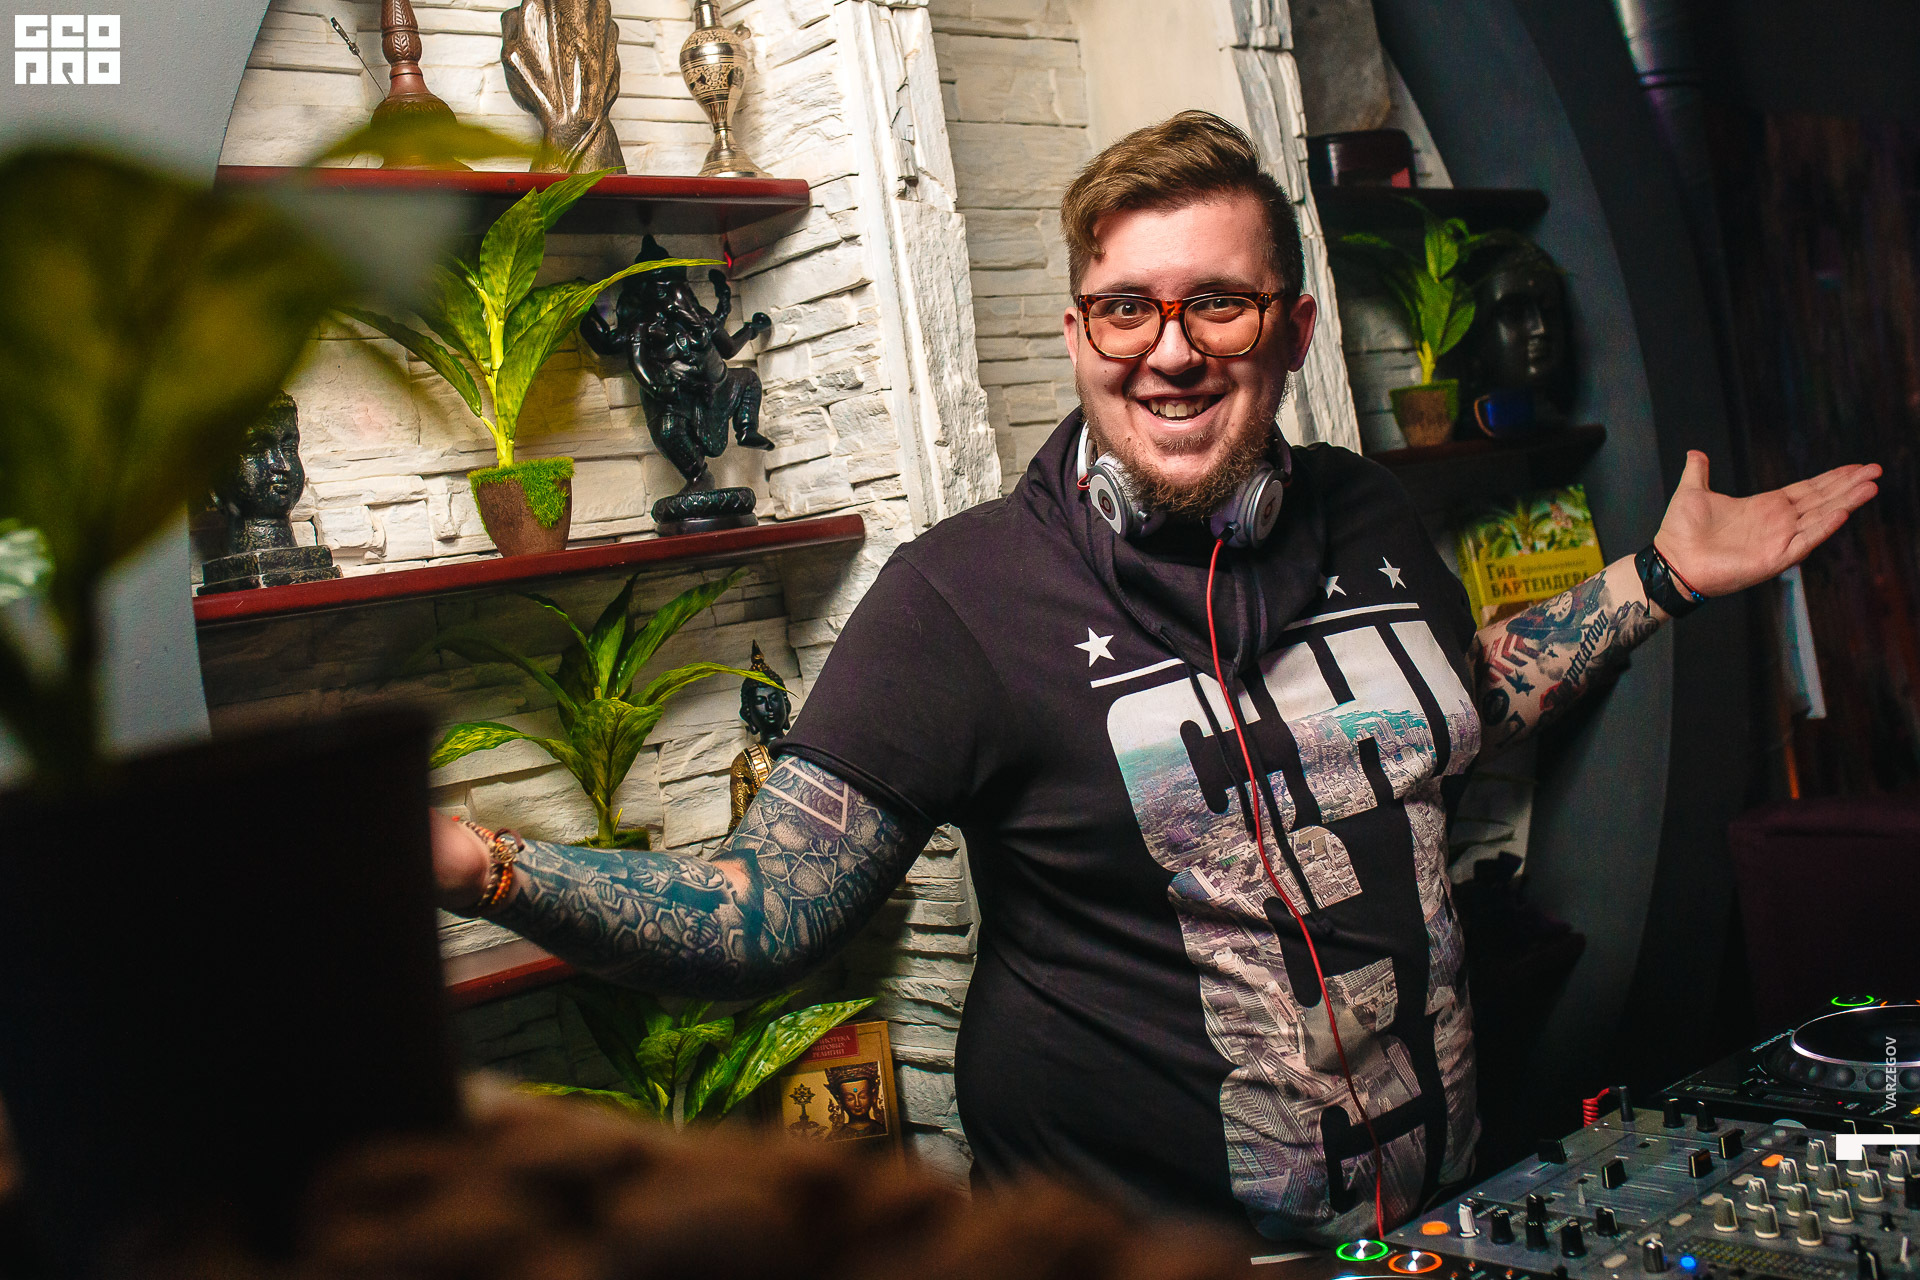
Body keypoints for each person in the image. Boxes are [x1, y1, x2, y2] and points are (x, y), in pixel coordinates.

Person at [434, 112, 1879, 1243]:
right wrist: (482, 866)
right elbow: (760, 911)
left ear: (1292, 330)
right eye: (1125, 310)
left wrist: (1656, 578)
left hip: (1428, 1216)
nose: (1170, 353)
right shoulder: (960, 598)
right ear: (1077, 336)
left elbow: (1448, 709)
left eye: (1218, 305)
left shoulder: (1367, 510)